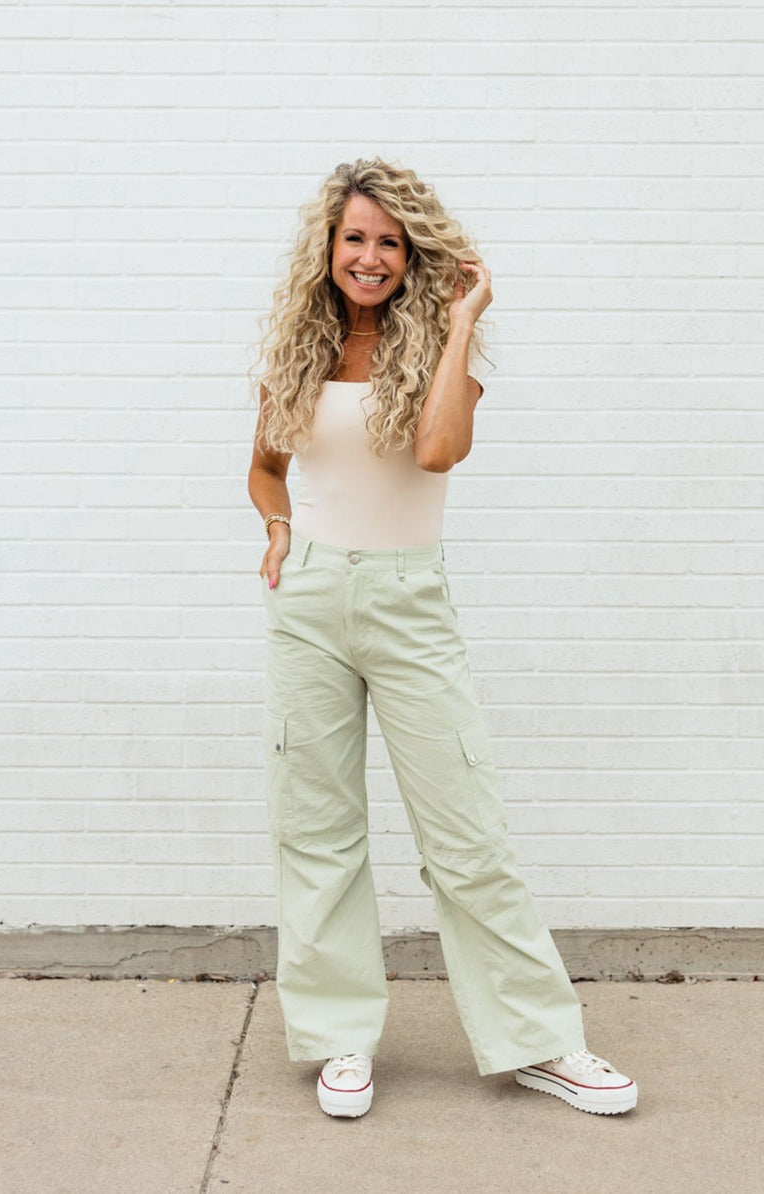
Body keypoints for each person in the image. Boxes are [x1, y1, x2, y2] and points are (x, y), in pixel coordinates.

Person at [248, 158, 637, 1119]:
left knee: (467, 835)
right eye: (354, 238)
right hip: (309, 602)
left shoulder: (438, 352)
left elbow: (435, 453)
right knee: (317, 830)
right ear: (328, 247)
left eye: (389, 241)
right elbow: (265, 466)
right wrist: (280, 527)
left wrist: (462, 321)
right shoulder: (297, 347)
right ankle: (339, 1037)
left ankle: (540, 1042)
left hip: (408, 600)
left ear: (412, 253)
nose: (369, 257)